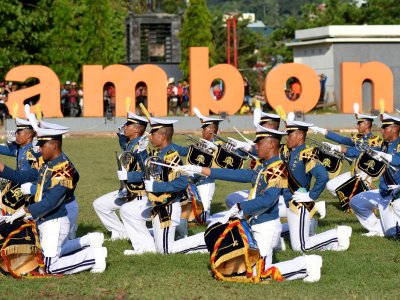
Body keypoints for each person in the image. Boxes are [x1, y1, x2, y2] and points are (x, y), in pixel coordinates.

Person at [181, 126, 324, 283]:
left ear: (270, 144)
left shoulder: (278, 168)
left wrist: (242, 207)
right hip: (256, 224)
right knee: (245, 268)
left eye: (259, 143)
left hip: (266, 227)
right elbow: (238, 174)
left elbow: (268, 200)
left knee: (259, 274)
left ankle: (308, 264)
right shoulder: (264, 165)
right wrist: (201, 169)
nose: (256, 147)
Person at [1, 126, 107, 274]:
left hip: (54, 221)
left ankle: (94, 256)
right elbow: (28, 181)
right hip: (45, 220)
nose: (39, 149)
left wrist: (24, 211)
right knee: (47, 253)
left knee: (49, 267)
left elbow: (51, 201)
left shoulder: (63, 169)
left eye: (42, 145)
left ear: (54, 145)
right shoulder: (47, 165)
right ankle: (91, 242)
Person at [282, 117, 352, 252]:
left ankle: (337, 234)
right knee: (274, 234)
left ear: (300, 135)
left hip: (299, 205)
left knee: (299, 247)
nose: (287, 138)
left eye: (290, 134)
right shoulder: (289, 152)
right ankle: (313, 229)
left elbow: (323, 176)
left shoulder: (307, 154)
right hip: (288, 203)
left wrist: (311, 196)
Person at [139, 117, 207, 254]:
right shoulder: (158, 153)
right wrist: (141, 151)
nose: (150, 136)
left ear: (162, 136)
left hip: (168, 207)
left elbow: (182, 183)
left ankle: (204, 241)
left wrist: (156, 187)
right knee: (160, 250)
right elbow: (145, 170)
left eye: (153, 133)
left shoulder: (172, 156)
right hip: (158, 206)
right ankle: (181, 225)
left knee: (165, 251)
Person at [93, 112, 151, 250]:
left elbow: (146, 174)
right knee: (100, 204)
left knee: (125, 211)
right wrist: (121, 135)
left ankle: (142, 245)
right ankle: (120, 233)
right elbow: (125, 148)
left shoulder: (141, 148)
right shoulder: (132, 144)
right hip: (127, 192)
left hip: (140, 194)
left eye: (128, 124)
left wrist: (128, 177)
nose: (124, 126)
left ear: (136, 129)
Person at [347, 113, 400, 237]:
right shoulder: (384, 145)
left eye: (385, 127)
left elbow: (398, 161)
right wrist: (338, 149)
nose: (382, 130)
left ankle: (389, 228)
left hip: (395, 195)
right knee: (356, 201)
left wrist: (385, 156)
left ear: (395, 128)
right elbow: (360, 153)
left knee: (393, 234)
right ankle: (377, 229)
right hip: (383, 193)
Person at [311, 110, 381, 196]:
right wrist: (322, 131)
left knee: (361, 197)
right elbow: (342, 139)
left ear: (366, 124)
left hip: (365, 176)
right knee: (330, 185)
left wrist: (338, 148)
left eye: (359, 123)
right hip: (354, 173)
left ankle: (366, 196)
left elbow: (359, 153)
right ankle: (352, 200)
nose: (357, 126)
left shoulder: (374, 140)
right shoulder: (359, 138)